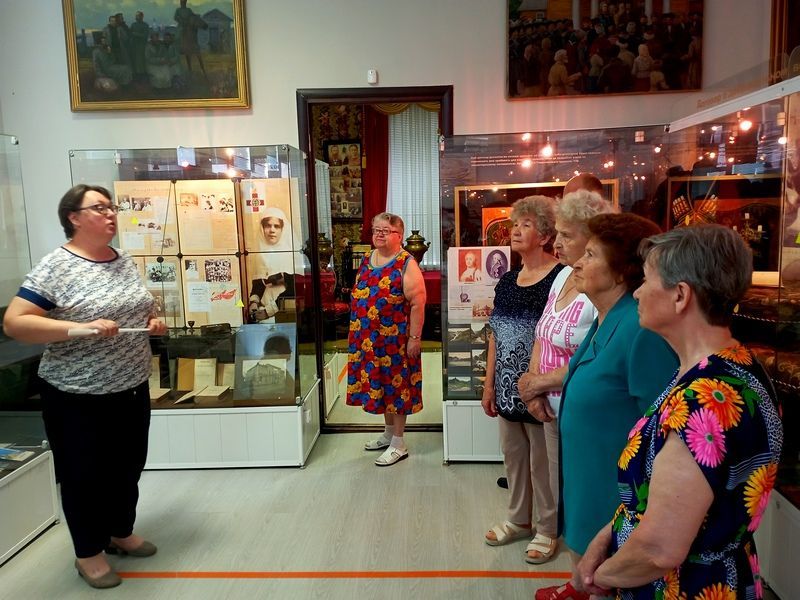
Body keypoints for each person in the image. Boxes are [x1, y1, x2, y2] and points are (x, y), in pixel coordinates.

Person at [575, 225, 783, 599]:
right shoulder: (729, 365)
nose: (637, 292)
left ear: (680, 296)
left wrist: (596, 577)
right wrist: (607, 538)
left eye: (646, 280)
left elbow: (659, 549)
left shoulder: (705, 400)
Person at [2, 184, 167, 589]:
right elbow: (15, 323)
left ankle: (119, 532)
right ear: (73, 218)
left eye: (112, 207)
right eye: (99, 208)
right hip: (76, 394)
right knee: (84, 475)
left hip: (131, 386)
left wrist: (153, 318)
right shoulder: (56, 266)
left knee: (127, 466)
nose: (110, 214)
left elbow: (139, 303)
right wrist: (79, 328)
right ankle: (88, 552)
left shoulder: (121, 258)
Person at [534, 213, 678, 600]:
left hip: (613, 495)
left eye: (591, 255)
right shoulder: (607, 319)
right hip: (589, 481)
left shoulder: (639, 330)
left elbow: (661, 432)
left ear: (620, 273)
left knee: (606, 580)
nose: (578, 262)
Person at [516, 189, 615, 564]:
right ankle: (577, 571)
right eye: (556, 233)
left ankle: (587, 574)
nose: (556, 243)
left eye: (566, 235)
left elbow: (594, 357)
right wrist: (532, 386)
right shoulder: (562, 278)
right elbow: (543, 333)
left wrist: (538, 384)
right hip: (551, 405)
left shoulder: (600, 286)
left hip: (581, 409)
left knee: (583, 495)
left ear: (592, 238)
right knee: (558, 484)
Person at [481, 196, 565, 558]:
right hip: (505, 385)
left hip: (540, 387)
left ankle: (547, 528)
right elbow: (495, 333)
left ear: (545, 235)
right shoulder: (507, 279)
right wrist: (488, 384)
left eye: (526, 224)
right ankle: (518, 519)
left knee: (543, 464)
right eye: (515, 223)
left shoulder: (561, 278)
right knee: (513, 457)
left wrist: (538, 384)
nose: (515, 230)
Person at [346, 212, 426, 466]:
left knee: (397, 389)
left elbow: (418, 303)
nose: (379, 234)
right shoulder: (368, 258)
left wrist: (414, 338)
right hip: (369, 341)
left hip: (395, 343)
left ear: (399, 235)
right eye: (376, 230)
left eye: (385, 231)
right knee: (381, 386)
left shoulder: (406, 263)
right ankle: (389, 434)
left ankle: (399, 443)